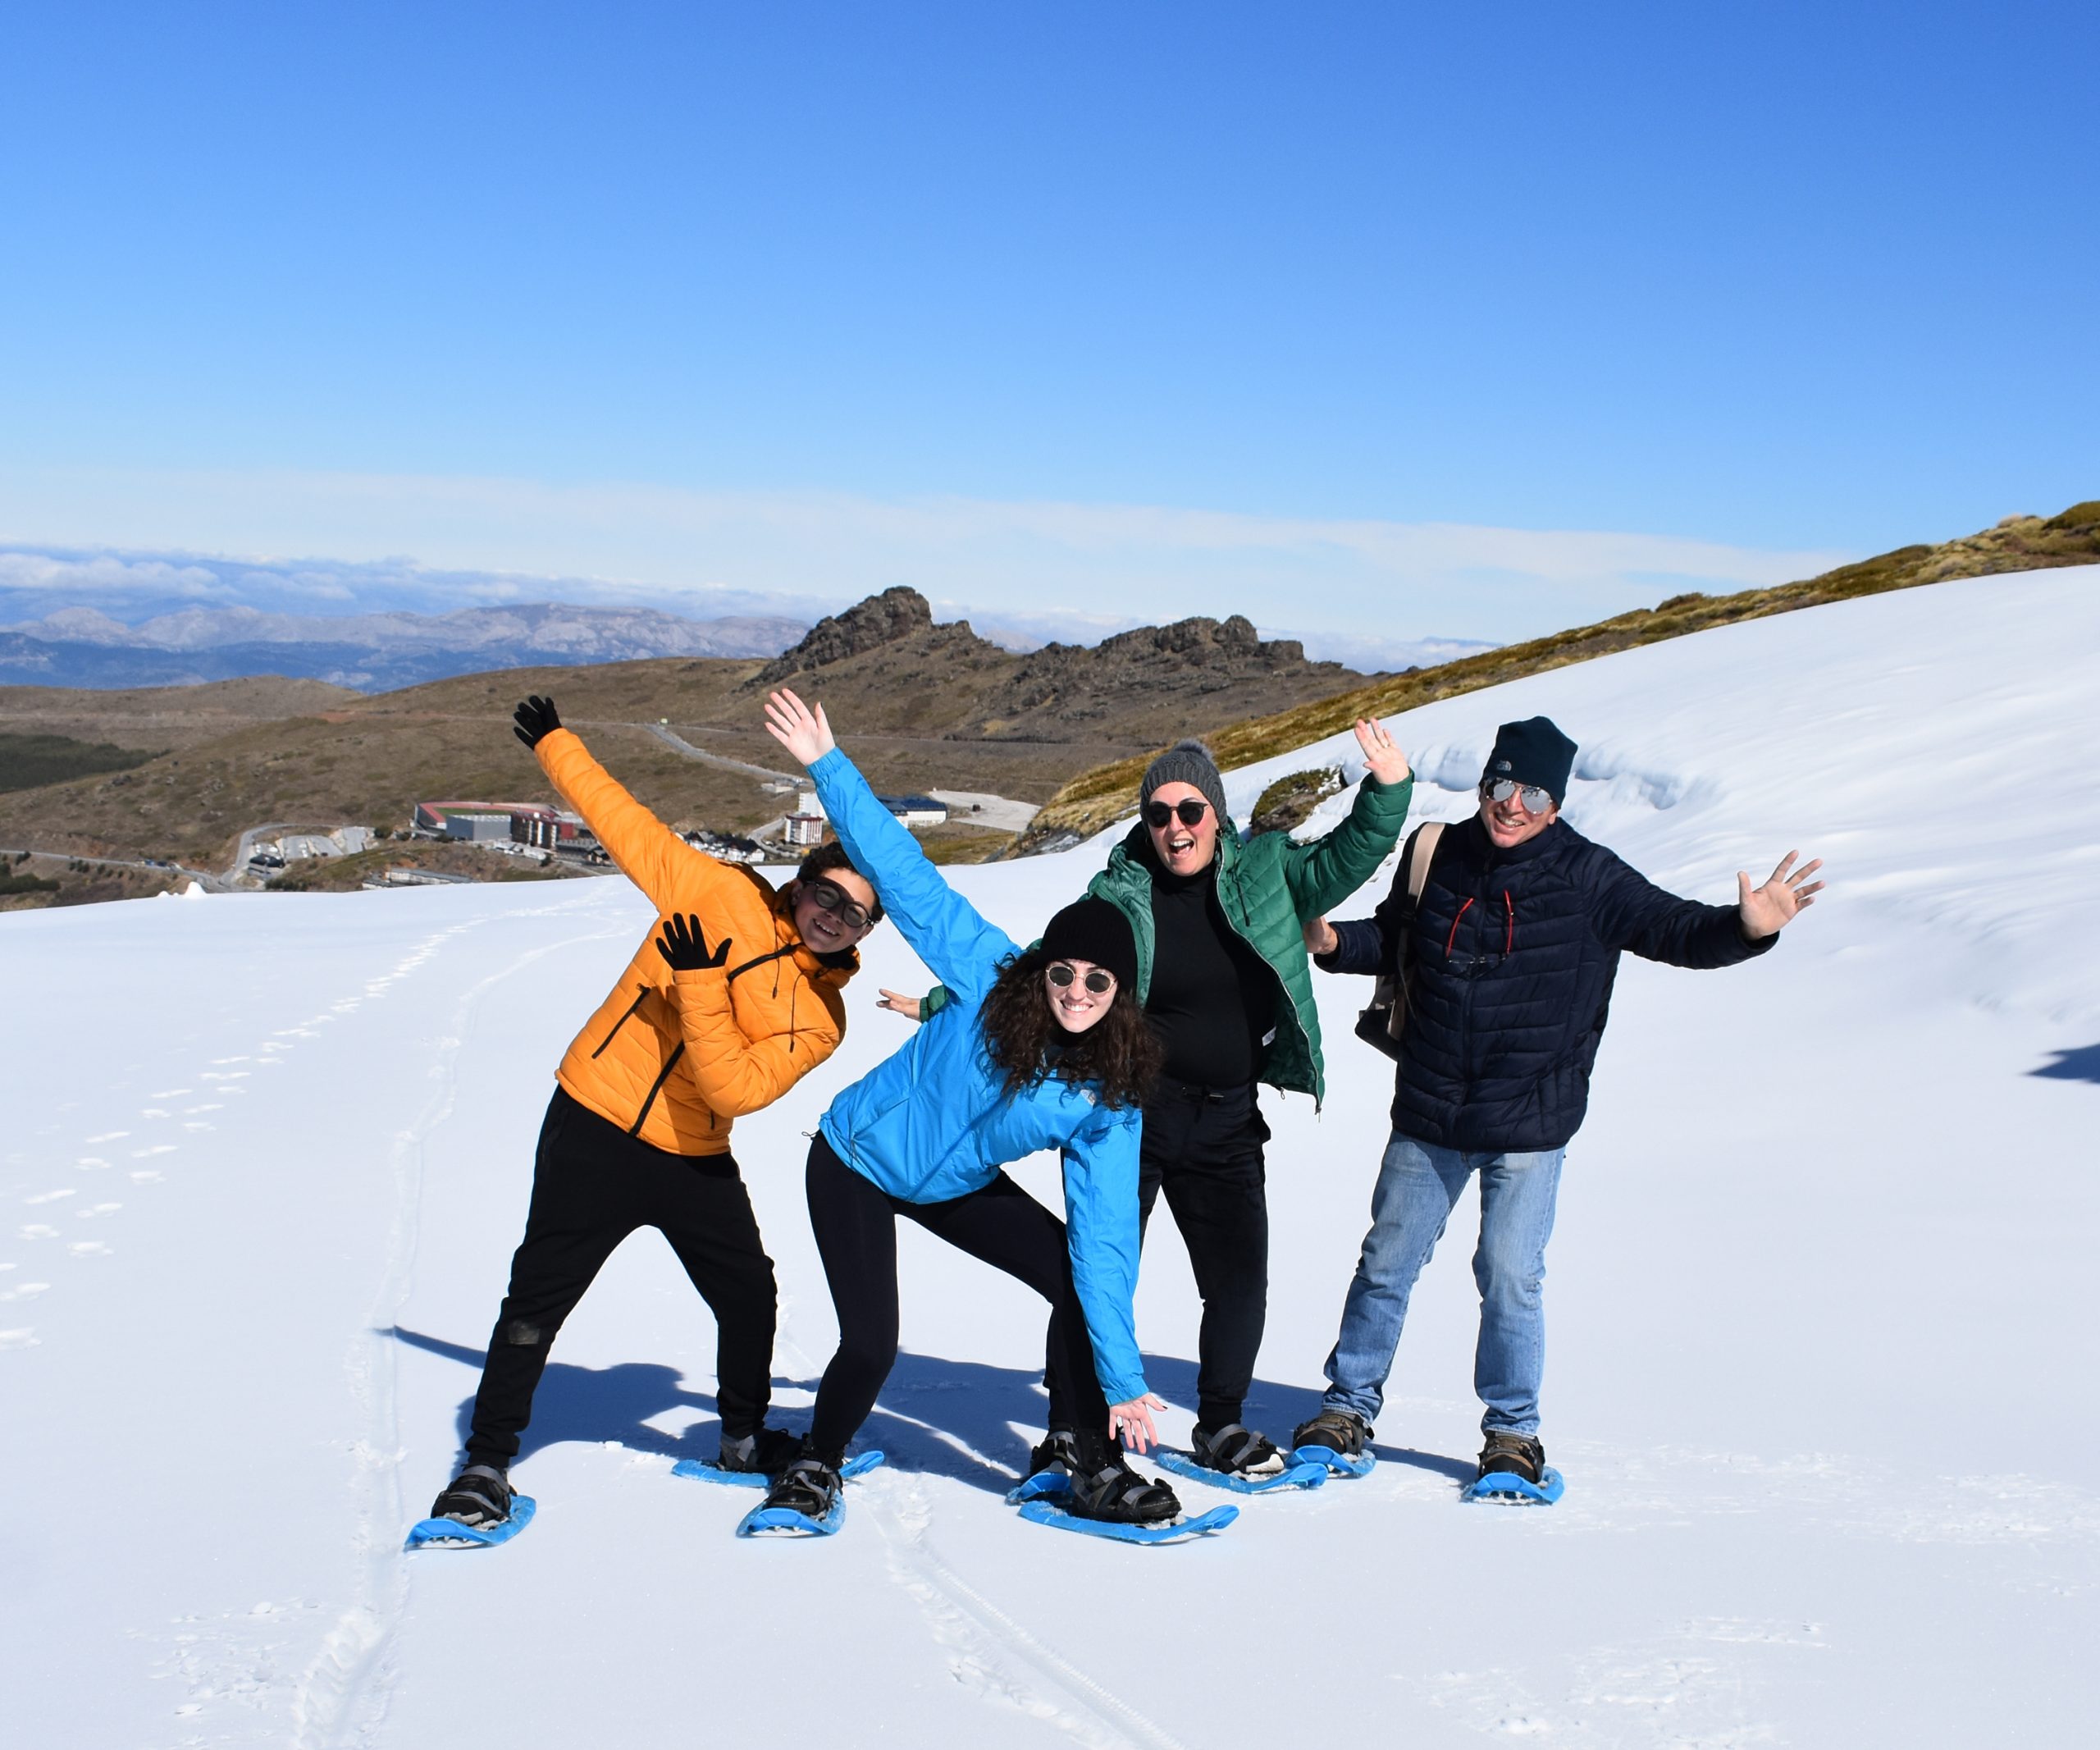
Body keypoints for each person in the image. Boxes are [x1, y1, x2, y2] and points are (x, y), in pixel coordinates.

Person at [1293, 715, 1824, 1488]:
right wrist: (1334, 944)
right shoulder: (1439, 853)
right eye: (1500, 785)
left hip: (1529, 1123)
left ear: (1558, 802)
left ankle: (1512, 1435)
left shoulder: (1590, 877)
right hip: (1432, 1106)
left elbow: (1676, 931)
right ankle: (1347, 1410)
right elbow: (1396, 939)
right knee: (1385, 1264)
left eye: (1532, 792)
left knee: (1510, 1276)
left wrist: (1746, 929)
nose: (1511, 804)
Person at [427, 694, 880, 1532]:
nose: (828, 915)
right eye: (824, 892)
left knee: (748, 1293)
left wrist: (702, 989)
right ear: (801, 882)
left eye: (851, 911)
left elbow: (735, 1092)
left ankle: (741, 1442)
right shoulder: (712, 890)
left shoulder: (822, 1018)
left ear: (866, 929)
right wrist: (558, 744)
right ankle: (485, 1464)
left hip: (692, 1156)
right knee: (537, 1299)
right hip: (595, 1122)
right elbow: (622, 821)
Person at [758, 687, 1180, 1529]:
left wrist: (1125, 1383)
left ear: (1120, 993)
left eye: (1099, 981)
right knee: (874, 1345)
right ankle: (815, 1464)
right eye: (1064, 972)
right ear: (1044, 968)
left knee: (1074, 1276)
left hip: (951, 1184)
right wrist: (826, 767)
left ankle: (1085, 1461)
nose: (1077, 991)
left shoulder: (1109, 1093)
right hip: (855, 1163)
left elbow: (1103, 1240)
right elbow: (905, 878)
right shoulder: (993, 976)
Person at [1068, 723, 1413, 1480]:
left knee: (1237, 1282)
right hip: (1136, 1115)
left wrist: (1387, 791)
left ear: (1216, 813)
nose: (1175, 828)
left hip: (1227, 1119)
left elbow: (1344, 856)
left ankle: (1221, 1423)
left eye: (1190, 810)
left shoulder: (1267, 872)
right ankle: (1076, 1426)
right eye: (1158, 815)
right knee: (1099, 1267)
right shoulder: (1122, 890)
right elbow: (1053, 969)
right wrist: (941, 1002)